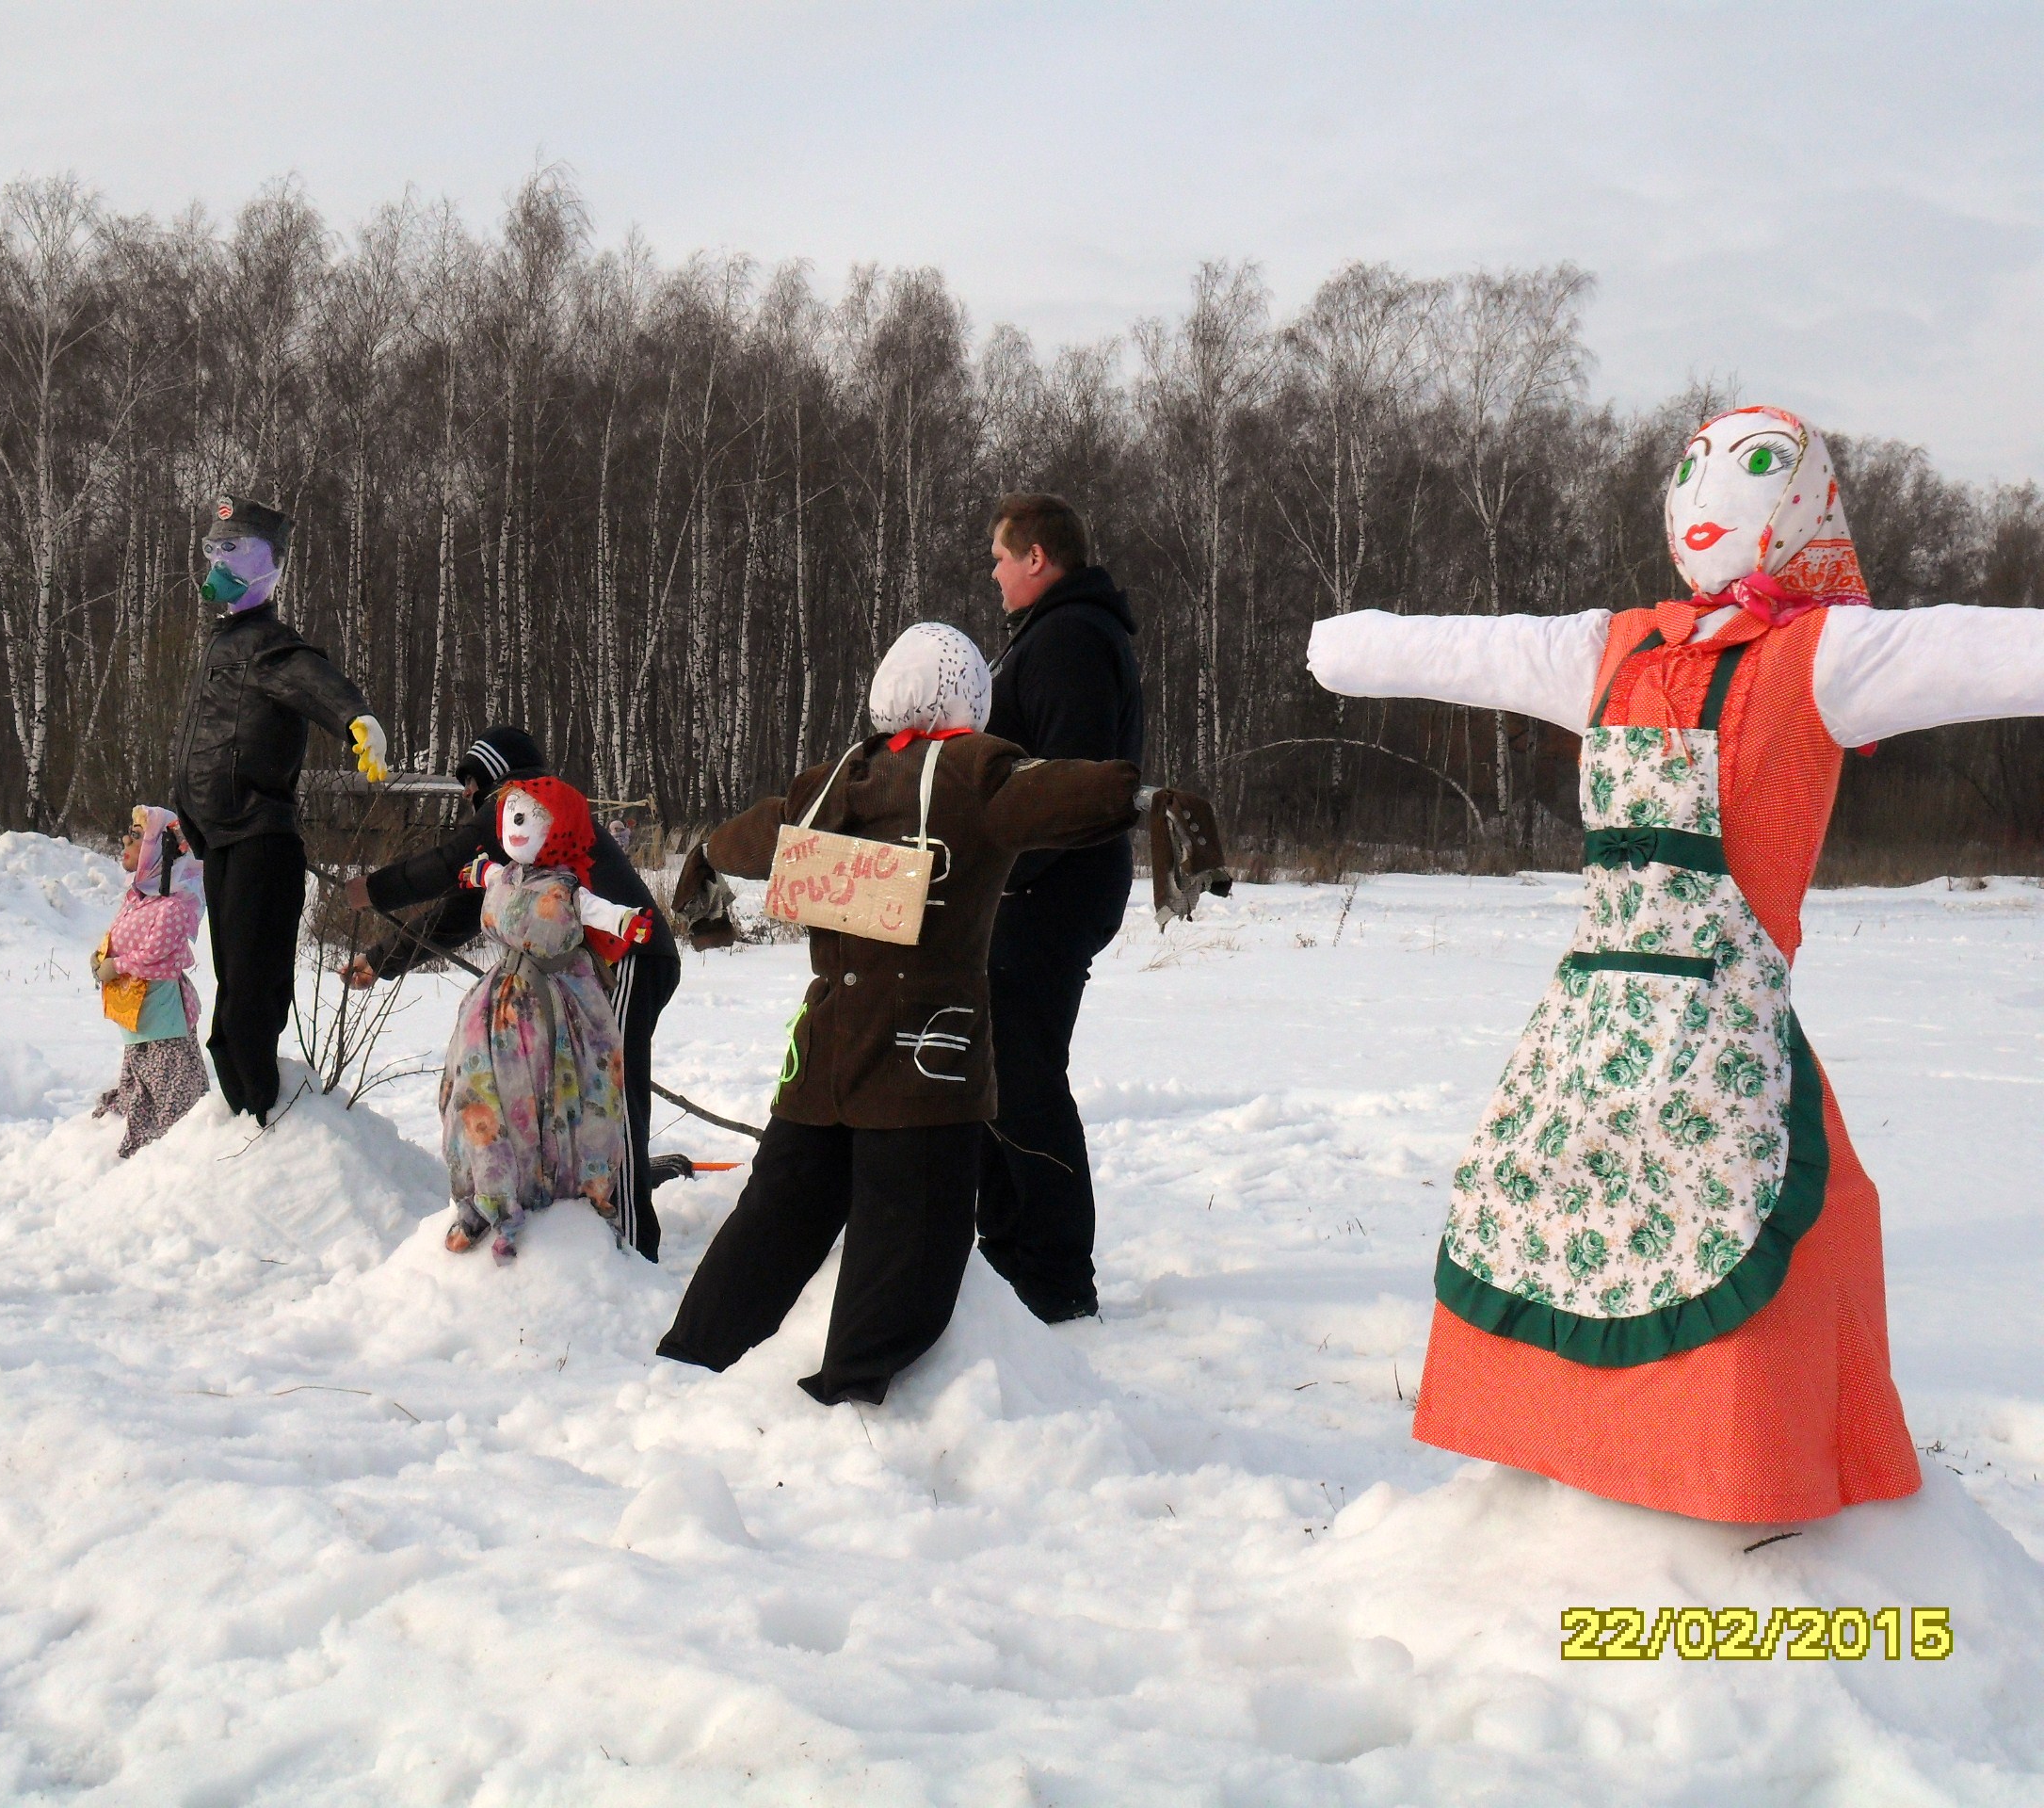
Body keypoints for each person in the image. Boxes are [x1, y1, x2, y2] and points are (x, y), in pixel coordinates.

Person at [1307, 403, 2044, 1524]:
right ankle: (1649, 1458)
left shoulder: (1822, 655)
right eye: (1695, 468)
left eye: (1750, 470)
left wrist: (1343, 645)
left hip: (1697, 1018)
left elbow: (1990, 652)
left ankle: (1725, 1467)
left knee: (1739, 1218)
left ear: (1804, 506)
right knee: (1596, 1213)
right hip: (1603, 1013)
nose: (1707, 496)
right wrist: (1345, 645)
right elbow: (1437, 649)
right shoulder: (1619, 645)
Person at [656, 622, 1145, 1406]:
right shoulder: (974, 774)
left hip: (823, 1050)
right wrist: (1138, 796)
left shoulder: (829, 782)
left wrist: (709, 854)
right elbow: (1054, 795)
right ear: (969, 699)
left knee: (778, 1213)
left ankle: (693, 1357)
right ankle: (850, 1395)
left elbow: (753, 836)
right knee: (910, 1238)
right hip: (925, 1061)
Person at [343, 725, 686, 1259]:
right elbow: (460, 912)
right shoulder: (521, 847)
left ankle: (635, 1249)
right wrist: (381, 959)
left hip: (627, 961)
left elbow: (445, 865)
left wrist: (370, 890)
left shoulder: (520, 801)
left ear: (497, 775)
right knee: (580, 1095)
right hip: (601, 971)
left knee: (610, 1097)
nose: (466, 794)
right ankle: (584, 1223)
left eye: (471, 780)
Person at [974, 493, 1144, 1324]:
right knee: (1003, 1074)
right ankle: (1009, 1252)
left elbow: (1067, 786)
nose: (995, 574)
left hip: (1052, 888)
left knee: (1025, 1077)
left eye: (1001, 558)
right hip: (1040, 884)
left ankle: (1055, 1275)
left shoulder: (1070, 638)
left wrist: (1008, 872)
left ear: (1037, 558)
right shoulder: (1056, 632)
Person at [172, 495, 390, 1125]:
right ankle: (247, 1116)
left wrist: (355, 717)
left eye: (235, 550)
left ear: (271, 564)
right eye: (214, 550)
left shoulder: (265, 644)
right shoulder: (224, 643)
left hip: (259, 836)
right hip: (223, 839)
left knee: (249, 992)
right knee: (231, 990)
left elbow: (309, 677)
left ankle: (264, 1117)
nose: (219, 563)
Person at [436, 777, 648, 1265]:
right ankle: (488, 1193)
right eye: (510, 815)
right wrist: (477, 872)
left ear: (559, 828)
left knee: (556, 1094)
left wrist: (625, 922)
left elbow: (599, 911)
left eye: (528, 818)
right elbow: (489, 874)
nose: (514, 828)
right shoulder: (507, 875)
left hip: (558, 1005)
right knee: (478, 1090)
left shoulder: (566, 888)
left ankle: (552, 1196)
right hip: (496, 1006)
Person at [90, 808, 210, 1158]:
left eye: (137, 835)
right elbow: (117, 941)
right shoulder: (137, 899)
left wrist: (115, 966)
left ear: (161, 850)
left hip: (162, 1026)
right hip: (138, 1020)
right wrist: (99, 957)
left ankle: (170, 1164)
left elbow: (155, 956)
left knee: (171, 1110)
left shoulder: (172, 906)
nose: (125, 839)